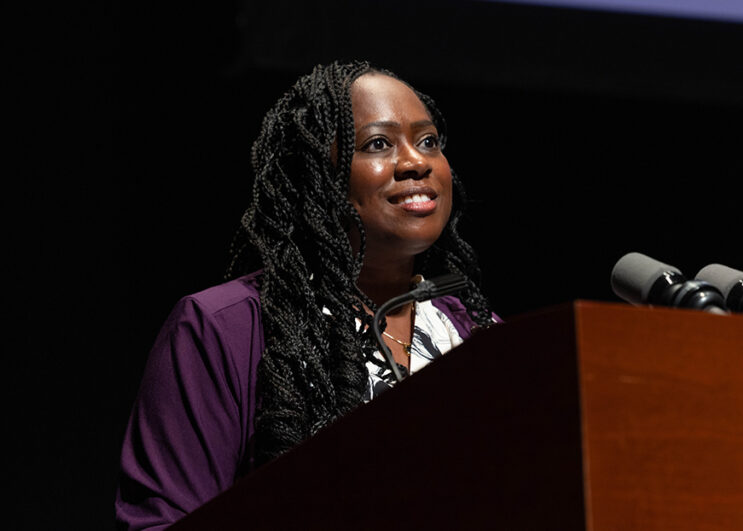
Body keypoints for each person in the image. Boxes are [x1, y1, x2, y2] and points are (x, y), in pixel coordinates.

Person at [115, 61, 497, 530]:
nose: (416, 162)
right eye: (378, 144)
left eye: (429, 142)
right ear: (317, 173)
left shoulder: (481, 336)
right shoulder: (224, 328)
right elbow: (160, 521)